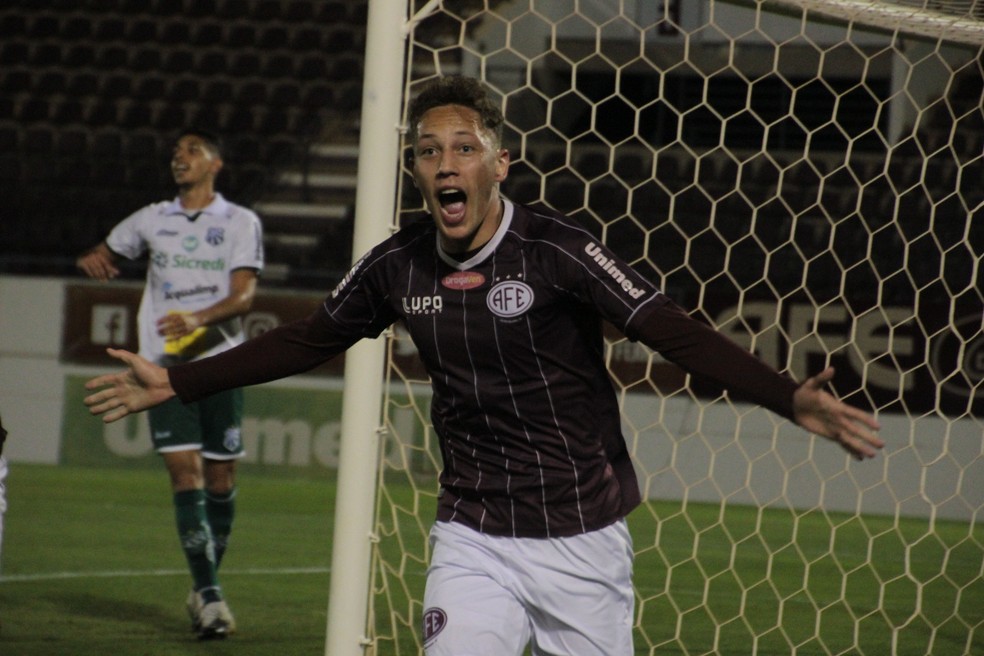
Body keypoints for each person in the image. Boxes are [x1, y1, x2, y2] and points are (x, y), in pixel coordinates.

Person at [83, 77, 882, 655]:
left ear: (500, 165)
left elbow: (668, 328)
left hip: (581, 536)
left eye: (464, 148)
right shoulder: (397, 263)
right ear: (417, 172)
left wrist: (786, 397)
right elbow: (309, 337)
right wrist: (178, 378)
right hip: (473, 534)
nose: (444, 163)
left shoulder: (558, 250)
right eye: (429, 151)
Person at [77, 128, 264, 640]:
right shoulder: (151, 218)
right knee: (187, 476)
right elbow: (105, 251)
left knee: (221, 479)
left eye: (193, 150)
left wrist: (198, 318)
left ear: (215, 164)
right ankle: (210, 598)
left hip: (222, 362)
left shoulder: (239, 221)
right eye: (177, 152)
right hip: (164, 371)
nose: (180, 158)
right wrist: (98, 258)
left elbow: (244, 296)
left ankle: (204, 585)